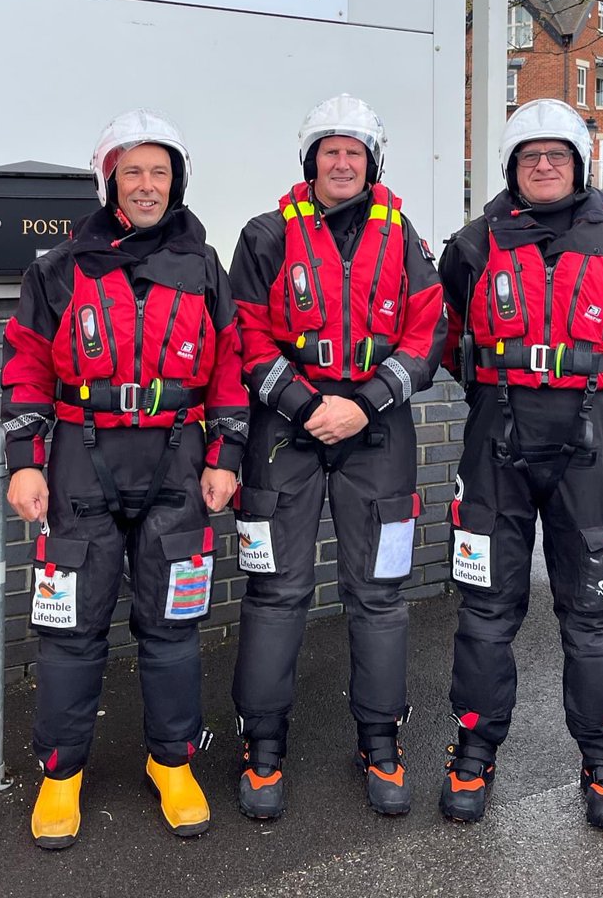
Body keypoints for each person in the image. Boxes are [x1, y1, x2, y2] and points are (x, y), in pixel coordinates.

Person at [1, 109, 248, 849]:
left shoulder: (204, 267)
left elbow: (231, 365)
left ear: (176, 182)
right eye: (133, 171)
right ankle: (60, 772)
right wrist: (23, 464)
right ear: (109, 179)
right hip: (80, 457)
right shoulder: (59, 268)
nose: (147, 185)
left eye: (159, 172)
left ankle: (171, 762)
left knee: (172, 625)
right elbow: (26, 366)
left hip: (176, 457)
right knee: (71, 626)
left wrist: (226, 456)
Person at [438, 99, 603, 831]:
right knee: (484, 609)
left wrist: (588, 386)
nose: (542, 165)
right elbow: (448, 338)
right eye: (529, 155)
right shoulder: (472, 245)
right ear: (510, 166)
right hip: (494, 434)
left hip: (585, 439)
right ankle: (473, 748)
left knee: (592, 611)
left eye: (555, 155)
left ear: (577, 165)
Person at [228, 93, 446, 819]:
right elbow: (247, 336)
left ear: (372, 161)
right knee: (275, 591)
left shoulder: (404, 236)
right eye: (330, 150)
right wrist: (303, 405)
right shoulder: (264, 235)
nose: (342, 161)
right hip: (283, 432)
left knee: (379, 594)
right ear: (309, 160)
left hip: (376, 432)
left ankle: (379, 743)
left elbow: (427, 335)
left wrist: (364, 401)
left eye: (354, 150)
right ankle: (262, 748)